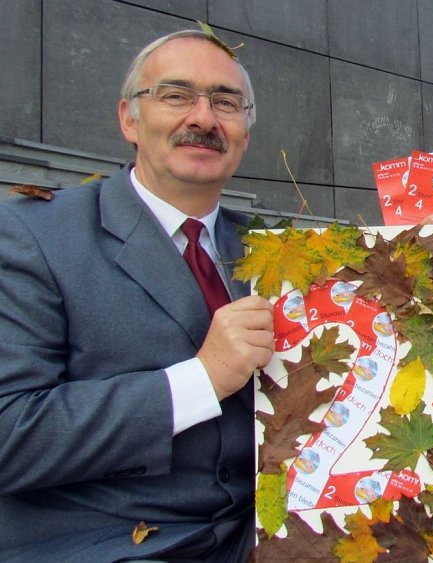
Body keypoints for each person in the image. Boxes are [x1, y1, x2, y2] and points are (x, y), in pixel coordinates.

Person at [0, 30, 275, 562]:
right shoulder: (32, 235)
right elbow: (10, 435)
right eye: (175, 96)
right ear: (129, 119)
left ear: (244, 132)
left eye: (225, 102)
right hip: (100, 547)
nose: (203, 117)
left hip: (269, 539)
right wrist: (201, 378)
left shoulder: (279, 252)